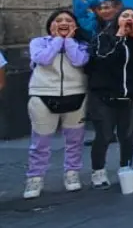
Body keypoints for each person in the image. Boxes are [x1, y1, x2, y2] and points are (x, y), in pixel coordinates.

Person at [24, 10, 89, 199]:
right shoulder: (38, 43)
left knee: (75, 140)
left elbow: (79, 61)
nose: (63, 23)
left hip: (75, 95)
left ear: (75, 26)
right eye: (58, 20)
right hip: (42, 94)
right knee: (40, 142)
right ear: (51, 24)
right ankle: (35, 177)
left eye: (68, 20)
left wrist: (68, 41)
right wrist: (56, 41)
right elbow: (43, 59)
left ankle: (72, 173)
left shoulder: (82, 45)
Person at [87, 8, 133, 187]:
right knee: (104, 135)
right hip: (104, 96)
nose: (129, 19)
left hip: (129, 95)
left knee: (128, 135)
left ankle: (126, 166)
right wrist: (119, 37)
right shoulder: (103, 38)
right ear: (117, 19)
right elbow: (102, 60)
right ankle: (98, 171)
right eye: (125, 16)